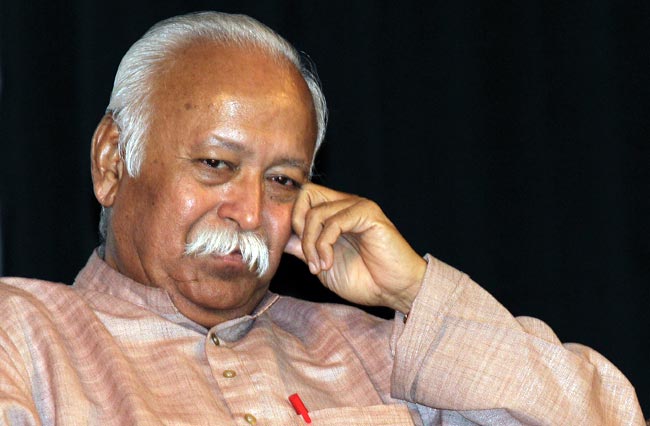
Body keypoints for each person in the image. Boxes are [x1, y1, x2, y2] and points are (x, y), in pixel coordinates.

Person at [0, 11, 644, 425]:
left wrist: (413, 291)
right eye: (216, 165)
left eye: (283, 180)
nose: (250, 212)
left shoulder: (380, 356)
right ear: (113, 162)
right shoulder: (25, 337)